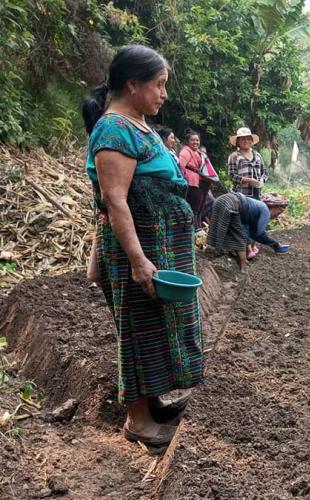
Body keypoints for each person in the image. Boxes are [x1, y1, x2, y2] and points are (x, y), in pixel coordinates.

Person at [81, 45, 203, 451]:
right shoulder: (113, 130)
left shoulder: (138, 125)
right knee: (138, 328)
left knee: (156, 324)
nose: (163, 94)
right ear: (132, 84)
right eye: (159, 84)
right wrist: (137, 260)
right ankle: (137, 419)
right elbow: (114, 200)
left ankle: (153, 402)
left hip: (160, 246)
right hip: (141, 250)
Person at [207, 192, 290, 270]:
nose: (276, 216)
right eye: (278, 213)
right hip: (231, 202)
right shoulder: (265, 211)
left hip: (220, 200)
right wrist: (275, 244)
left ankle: (210, 255)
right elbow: (259, 233)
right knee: (239, 239)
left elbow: (252, 233)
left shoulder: (257, 208)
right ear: (273, 207)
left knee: (220, 229)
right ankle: (243, 268)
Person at [178, 129, 207, 229]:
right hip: (191, 182)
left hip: (198, 182)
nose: (195, 142)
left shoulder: (197, 152)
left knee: (198, 210)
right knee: (194, 209)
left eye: (197, 140)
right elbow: (181, 166)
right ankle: (195, 231)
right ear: (188, 142)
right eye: (193, 140)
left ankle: (198, 230)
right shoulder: (186, 151)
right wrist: (181, 181)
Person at [227, 127, 266, 199]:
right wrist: (248, 180)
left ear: (251, 141)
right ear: (238, 142)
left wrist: (261, 181)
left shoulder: (258, 156)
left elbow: (265, 172)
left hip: (257, 195)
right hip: (240, 195)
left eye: (248, 139)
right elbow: (232, 175)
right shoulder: (234, 156)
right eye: (243, 139)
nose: (246, 141)